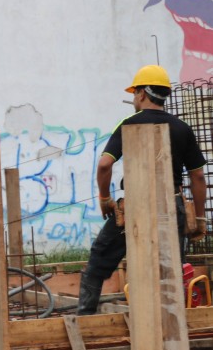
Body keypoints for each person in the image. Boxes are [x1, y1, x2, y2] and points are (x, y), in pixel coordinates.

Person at [77, 65, 207, 315]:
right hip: (172, 205)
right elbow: (198, 176)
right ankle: (172, 326)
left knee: (98, 263)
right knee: (170, 270)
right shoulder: (182, 128)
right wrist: (199, 217)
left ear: (142, 94)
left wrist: (105, 198)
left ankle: (84, 321)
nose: (134, 98)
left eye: (135, 93)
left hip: (136, 207)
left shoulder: (129, 124)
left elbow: (105, 165)